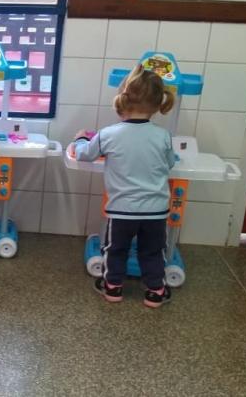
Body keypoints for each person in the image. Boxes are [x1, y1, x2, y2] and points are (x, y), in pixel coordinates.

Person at [71, 64, 176, 308]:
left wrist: (80, 139)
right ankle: (155, 291)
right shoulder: (163, 136)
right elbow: (170, 162)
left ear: (123, 99)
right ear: (157, 104)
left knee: (116, 249)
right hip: (155, 210)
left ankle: (113, 288)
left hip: (122, 210)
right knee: (153, 251)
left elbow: (84, 154)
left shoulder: (108, 134)